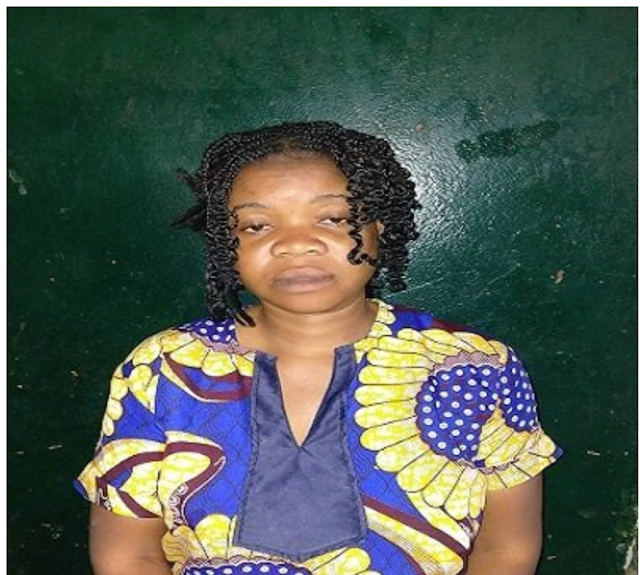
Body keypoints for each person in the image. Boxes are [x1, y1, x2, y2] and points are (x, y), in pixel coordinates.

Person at [75, 121, 561, 575]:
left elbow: (507, 547)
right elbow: (128, 553)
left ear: (379, 226)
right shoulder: (164, 366)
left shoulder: (476, 365)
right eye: (257, 226)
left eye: (332, 218)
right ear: (227, 243)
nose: (296, 244)